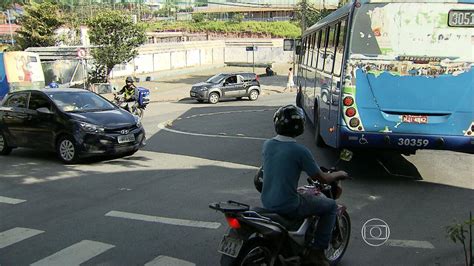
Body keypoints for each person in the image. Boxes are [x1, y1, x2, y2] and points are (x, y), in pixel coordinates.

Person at [261, 104, 349, 266]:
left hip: (266, 201)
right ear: (299, 126)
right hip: (288, 205)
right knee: (329, 206)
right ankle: (317, 252)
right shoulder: (300, 151)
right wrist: (340, 174)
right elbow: (322, 178)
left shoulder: (268, 145)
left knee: (303, 194)